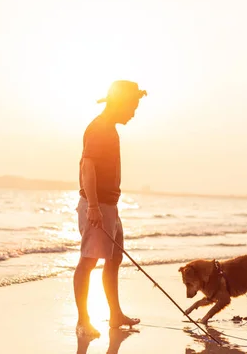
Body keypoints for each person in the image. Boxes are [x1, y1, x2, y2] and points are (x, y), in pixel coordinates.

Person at [74, 80, 147, 337]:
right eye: (132, 106)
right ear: (121, 103)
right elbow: (87, 168)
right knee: (88, 261)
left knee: (114, 259)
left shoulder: (110, 130)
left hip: (110, 206)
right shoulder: (99, 129)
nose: (134, 113)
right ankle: (83, 321)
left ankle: (115, 314)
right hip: (97, 206)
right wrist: (93, 206)